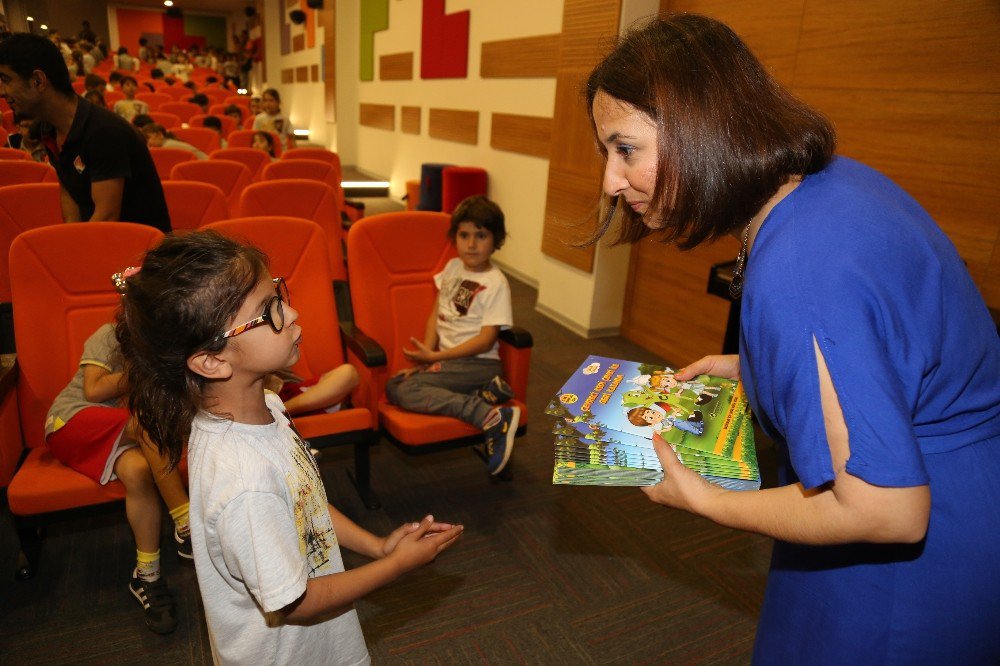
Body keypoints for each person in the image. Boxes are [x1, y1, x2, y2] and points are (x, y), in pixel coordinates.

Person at [585, 15, 1000, 663]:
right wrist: (754, 367)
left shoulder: (800, 270)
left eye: (626, 149)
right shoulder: (830, 184)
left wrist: (707, 500)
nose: (611, 180)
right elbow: (884, 351)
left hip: (913, 564)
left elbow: (886, 511)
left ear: (702, 125)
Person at [115, 230, 463, 665]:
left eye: (279, 294)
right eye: (270, 311)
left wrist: (376, 547)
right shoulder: (245, 485)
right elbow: (295, 603)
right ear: (212, 360)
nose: (293, 312)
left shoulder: (270, 405)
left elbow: (305, 503)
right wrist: (396, 567)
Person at [45, 322, 192, 634]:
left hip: (120, 434)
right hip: (70, 421)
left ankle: (146, 576)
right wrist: (152, 369)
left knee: (139, 473)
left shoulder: (172, 339)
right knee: (147, 422)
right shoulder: (110, 334)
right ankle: (186, 521)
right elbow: (94, 389)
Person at [385, 196, 520, 476]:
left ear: (496, 240)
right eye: (464, 235)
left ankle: (489, 416)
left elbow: (486, 340)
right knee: (395, 386)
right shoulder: (452, 268)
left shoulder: (496, 283)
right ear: (454, 238)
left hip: (478, 363)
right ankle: (485, 394)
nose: (471, 244)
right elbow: (438, 311)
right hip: (451, 364)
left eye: (481, 236)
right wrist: (426, 358)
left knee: (407, 390)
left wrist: (435, 358)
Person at [0, 33, 170, 231]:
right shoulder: (49, 127)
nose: (2, 91)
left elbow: (107, 217)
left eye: (6, 79)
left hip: (142, 251)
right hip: (103, 240)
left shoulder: (104, 132)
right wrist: (72, 236)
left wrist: (77, 250)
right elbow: (69, 190)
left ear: (38, 80)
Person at [141, 123, 207, 159]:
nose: (148, 143)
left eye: (148, 138)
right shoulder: (168, 143)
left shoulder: (168, 146)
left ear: (160, 135)